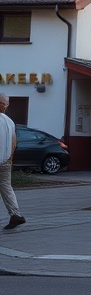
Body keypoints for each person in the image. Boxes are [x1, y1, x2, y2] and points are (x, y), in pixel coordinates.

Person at [0, 93, 27, 231]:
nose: (6, 106)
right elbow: (14, 142)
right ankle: (15, 214)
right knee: (6, 188)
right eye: (6, 103)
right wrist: (10, 158)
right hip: (5, 161)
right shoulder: (9, 121)